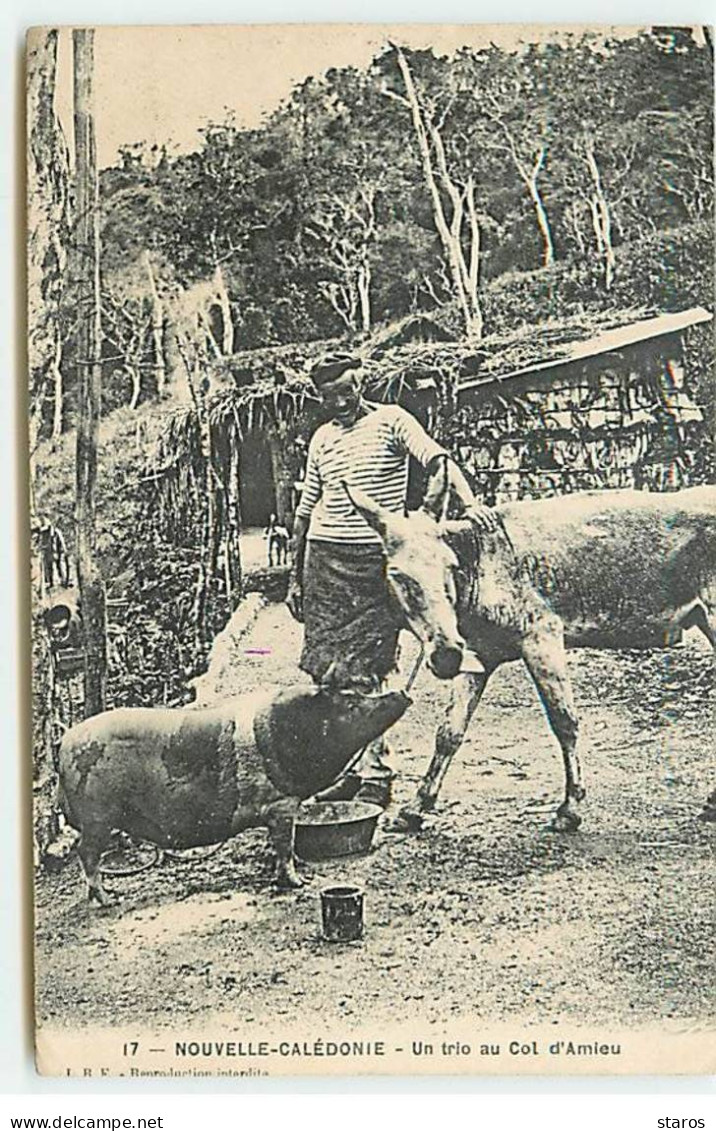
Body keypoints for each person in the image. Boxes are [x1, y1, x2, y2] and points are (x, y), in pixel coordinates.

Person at [286, 351, 495, 808]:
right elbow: (307, 509)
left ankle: (378, 776)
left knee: (375, 664)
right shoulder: (322, 438)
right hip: (323, 558)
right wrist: (294, 576)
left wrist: (468, 502)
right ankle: (351, 769)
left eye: (348, 390)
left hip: (375, 558)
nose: (342, 402)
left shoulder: (393, 421)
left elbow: (438, 460)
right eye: (330, 396)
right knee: (331, 671)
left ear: (360, 384)